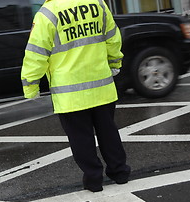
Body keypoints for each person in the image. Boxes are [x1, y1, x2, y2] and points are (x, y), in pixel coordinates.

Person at [21, 0, 131, 192]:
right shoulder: (98, 4)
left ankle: (94, 179)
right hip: (101, 85)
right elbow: (112, 38)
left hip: (70, 93)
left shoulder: (48, 13)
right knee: (108, 132)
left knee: (81, 138)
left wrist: (30, 85)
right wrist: (115, 63)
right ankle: (120, 172)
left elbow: (36, 52)